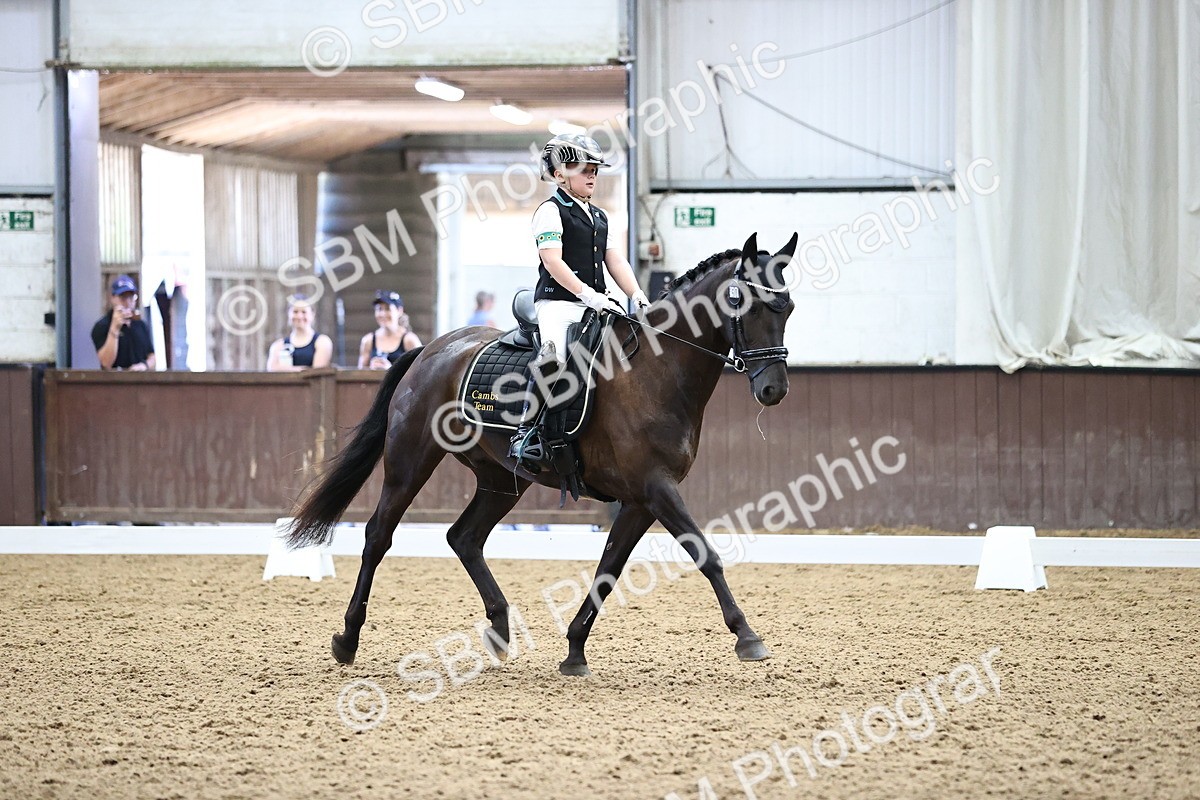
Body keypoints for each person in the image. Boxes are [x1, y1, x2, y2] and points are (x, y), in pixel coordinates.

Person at [508, 133, 650, 464]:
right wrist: (588, 294)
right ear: (559, 175)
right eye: (584, 169)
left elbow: (615, 260)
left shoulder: (600, 217)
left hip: (595, 302)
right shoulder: (550, 210)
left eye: (594, 170)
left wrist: (636, 294)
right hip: (557, 303)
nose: (592, 176)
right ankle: (526, 432)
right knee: (553, 356)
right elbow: (552, 261)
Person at [92, 274, 155, 371]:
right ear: (113, 298)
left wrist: (144, 366)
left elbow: (152, 356)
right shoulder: (102, 325)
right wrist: (115, 328)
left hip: (140, 381)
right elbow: (106, 363)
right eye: (123, 297)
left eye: (131, 297)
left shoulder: (140, 325)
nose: (127, 302)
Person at [357, 290, 422, 369]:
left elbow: (420, 372)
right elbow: (360, 374)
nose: (383, 314)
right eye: (379, 309)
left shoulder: (410, 340)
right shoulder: (368, 340)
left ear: (399, 311)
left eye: (388, 309)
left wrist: (390, 369)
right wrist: (372, 369)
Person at [267, 297, 332, 371]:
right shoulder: (278, 345)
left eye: (304, 312)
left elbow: (317, 372)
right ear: (289, 314)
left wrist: (286, 369)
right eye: (295, 312)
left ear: (312, 315)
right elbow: (272, 369)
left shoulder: (322, 341)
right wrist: (302, 369)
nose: (299, 316)